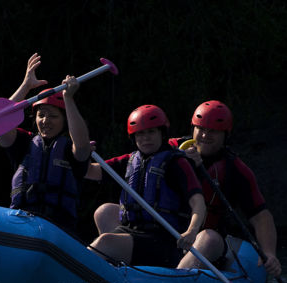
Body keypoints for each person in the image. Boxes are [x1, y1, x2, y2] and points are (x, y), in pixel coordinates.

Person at [87, 105, 205, 267]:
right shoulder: (129, 160)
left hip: (164, 241)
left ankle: (91, 271)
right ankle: (112, 269)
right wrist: (81, 151)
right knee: (104, 211)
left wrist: (192, 231)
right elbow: (91, 172)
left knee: (105, 242)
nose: (145, 138)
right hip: (133, 231)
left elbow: (198, 203)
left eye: (151, 132)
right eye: (140, 133)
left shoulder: (177, 163)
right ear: (133, 137)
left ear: (162, 133)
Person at [173, 100, 282, 277]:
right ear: (193, 129)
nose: (204, 136)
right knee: (110, 209)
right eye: (201, 129)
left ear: (225, 135)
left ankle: (175, 282)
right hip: (164, 236)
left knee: (208, 238)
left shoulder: (236, 170)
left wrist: (269, 253)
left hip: (206, 245)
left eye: (213, 131)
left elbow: (261, 217)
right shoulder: (170, 150)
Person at [0, 53, 91, 233]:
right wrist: (26, 86)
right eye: (41, 115)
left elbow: (83, 145)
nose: (46, 120)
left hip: (59, 229)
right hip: (20, 223)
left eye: (53, 116)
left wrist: (68, 98)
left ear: (65, 121)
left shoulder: (72, 148)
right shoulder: (23, 142)